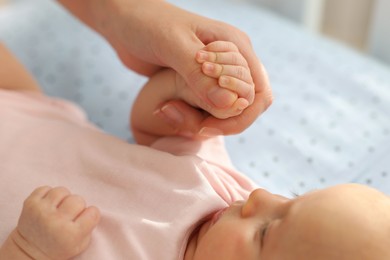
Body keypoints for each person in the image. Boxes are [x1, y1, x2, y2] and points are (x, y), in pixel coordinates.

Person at [1, 41, 390, 260]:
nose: (259, 198)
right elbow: (154, 126)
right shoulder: (222, 191)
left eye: (268, 232)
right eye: (290, 200)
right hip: (24, 104)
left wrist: (30, 249)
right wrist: (190, 95)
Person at [57, 0, 273, 136]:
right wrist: (184, 89)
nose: (261, 196)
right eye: (289, 200)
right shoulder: (221, 185)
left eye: (281, 211)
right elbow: (148, 124)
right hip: (37, 112)